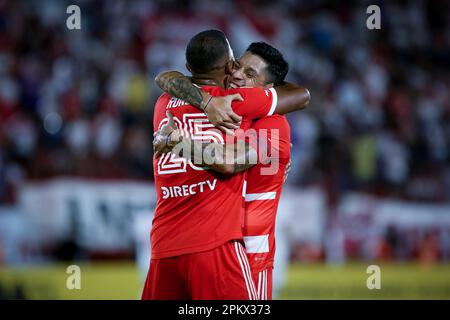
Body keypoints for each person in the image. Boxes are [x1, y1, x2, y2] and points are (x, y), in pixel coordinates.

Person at [144, 29, 309, 300]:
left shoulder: (272, 124)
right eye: (238, 66)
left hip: (249, 254)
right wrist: (207, 102)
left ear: (269, 91)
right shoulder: (229, 106)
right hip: (218, 247)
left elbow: (233, 161)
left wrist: (178, 142)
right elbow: (167, 78)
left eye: (251, 74)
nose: (238, 75)